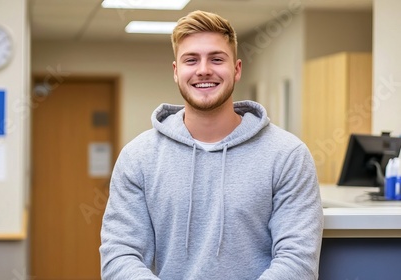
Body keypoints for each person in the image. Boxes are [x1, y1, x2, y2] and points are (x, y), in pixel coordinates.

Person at [100, 10, 323, 280]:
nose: (203, 69)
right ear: (176, 71)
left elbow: (297, 261)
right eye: (191, 60)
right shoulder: (138, 157)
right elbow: (120, 256)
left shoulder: (287, 155)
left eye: (216, 59)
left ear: (237, 69)